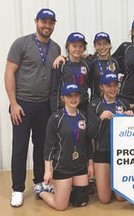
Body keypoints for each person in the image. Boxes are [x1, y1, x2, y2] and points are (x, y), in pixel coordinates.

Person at [4, 8, 61, 207]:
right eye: (43, 22)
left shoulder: (56, 48)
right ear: (36, 21)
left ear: (54, 24)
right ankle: (17, 189)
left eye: (51, 23)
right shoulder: (21, 44)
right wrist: (13, 104)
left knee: (41, 147)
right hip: (22, 104)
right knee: (20, 148)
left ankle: (39, 183)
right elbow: (9, 73)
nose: (47, 26)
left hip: (44, 105)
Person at [37, 83, 94, 210]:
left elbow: (88, 143)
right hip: (62, 167)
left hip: (80, 167)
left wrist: (90, 164)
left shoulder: (84, 115)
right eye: (69, 96)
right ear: (63, 98)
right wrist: (47, 171)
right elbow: (48, 146)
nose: (73, 99)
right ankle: (41, 191)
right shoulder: (56, 118)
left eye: (76, 95)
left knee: (81, 202)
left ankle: (65, 189)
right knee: (61, 206)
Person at [87, 71, 132, 204]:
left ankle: (112, 182)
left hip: (121, 153)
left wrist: (130, 117)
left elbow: (132, 131)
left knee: (121, 198)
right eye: (108, 86)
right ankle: (105, 182)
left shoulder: (124, 103)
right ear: (102, 87)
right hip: (102, 152)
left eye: (115, 85)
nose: (112, 89)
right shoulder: (94, 105)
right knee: (104, 199)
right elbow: (90, 134)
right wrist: (99, 119)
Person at [50, 32, 91, 112]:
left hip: (83, 106)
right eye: (74, 46)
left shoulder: (88, 64)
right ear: (68, 46)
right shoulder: (61, 65)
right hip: (65, 107)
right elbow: (54, 91)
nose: (78, 49)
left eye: (81, 46)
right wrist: (55, 112)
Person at [89, 32, 120, 100]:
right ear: (95, 46)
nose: (102, 47)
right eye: (99, 44)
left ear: (109, 45)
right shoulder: (92, 63)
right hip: (96, 101)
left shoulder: (116, 62)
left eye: (105, 44)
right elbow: (89, 82)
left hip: (113, 101)